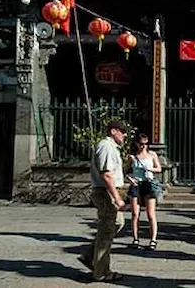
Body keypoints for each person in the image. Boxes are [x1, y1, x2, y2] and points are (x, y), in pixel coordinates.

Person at [79, 121, 128, 282]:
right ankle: (101, 272)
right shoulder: (106, 146)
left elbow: (112, 171)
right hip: (106, 192)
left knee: (116, 224)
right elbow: (106, 175)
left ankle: (90, 255)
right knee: (107, 229)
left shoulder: (111, 147)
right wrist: (117, 198)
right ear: (113, 131)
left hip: (109, 191)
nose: (125, 134)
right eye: (122, 131)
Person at [125, 133, 162, 250]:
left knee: (151, 214)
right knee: (135, 214)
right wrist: (130, 179)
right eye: (141, 144)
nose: (144, 146)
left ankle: (153, 240)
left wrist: (149, 169)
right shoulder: (133, 156)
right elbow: (125, 171)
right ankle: (135, 238)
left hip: (148, 183)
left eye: (146, 144)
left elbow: (159, 168)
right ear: (137, 144)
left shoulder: (152, 155)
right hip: (136, 184)